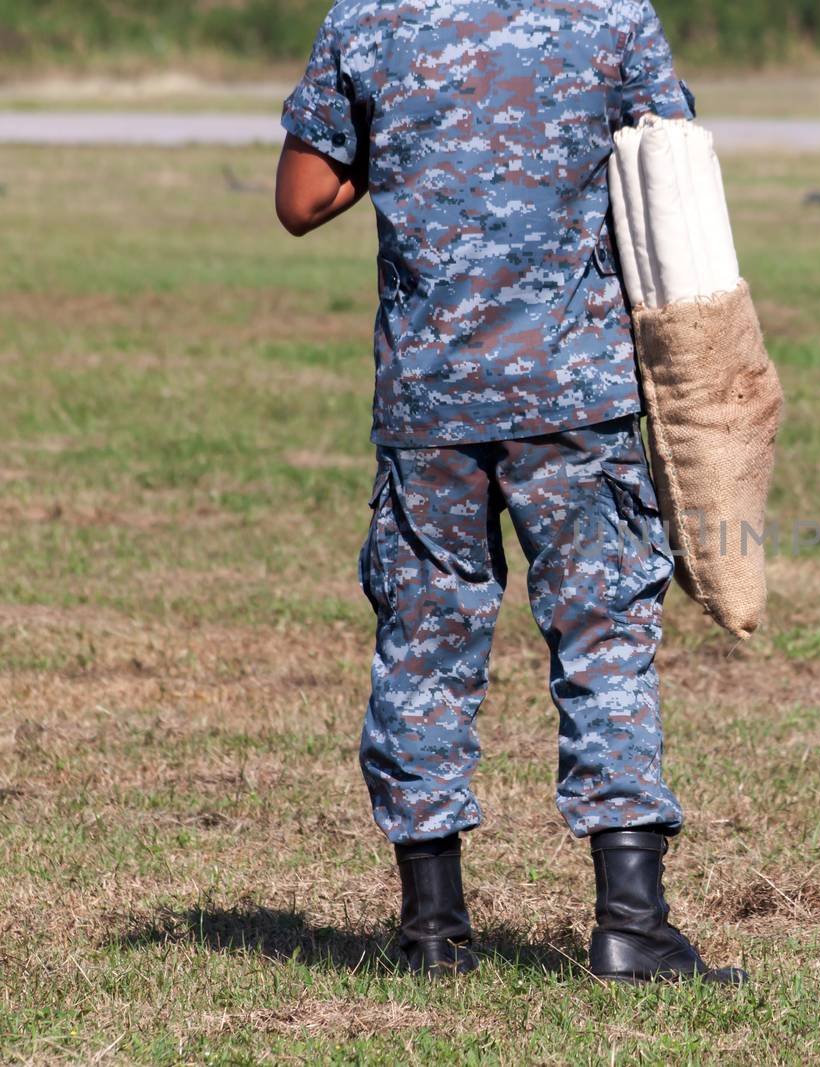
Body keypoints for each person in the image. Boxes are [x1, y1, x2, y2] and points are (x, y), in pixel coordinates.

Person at [275, 0, 743, 986]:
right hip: (575, 390)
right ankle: (632, 924)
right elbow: (670, 161)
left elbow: (302, 197)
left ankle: (432, 930)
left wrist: (407, 154)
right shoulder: (612, 15)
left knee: (424, 643)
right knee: (603, 638)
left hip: (430, 396)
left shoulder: (367, 19)